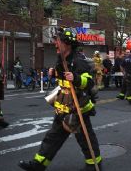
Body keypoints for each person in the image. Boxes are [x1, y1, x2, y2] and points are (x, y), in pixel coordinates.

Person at [18, 27, 101, 171]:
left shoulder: (78, 60)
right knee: (52, 139)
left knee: (86, 140)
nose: (55, 43)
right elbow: (63, 81)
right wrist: (55, 73)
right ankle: (38, 165)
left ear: (67, 43)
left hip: (77, 109)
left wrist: (76, 78)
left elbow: (89, 82)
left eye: (58, 41)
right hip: (63, 108)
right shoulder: (61, 59)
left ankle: (94, 165)